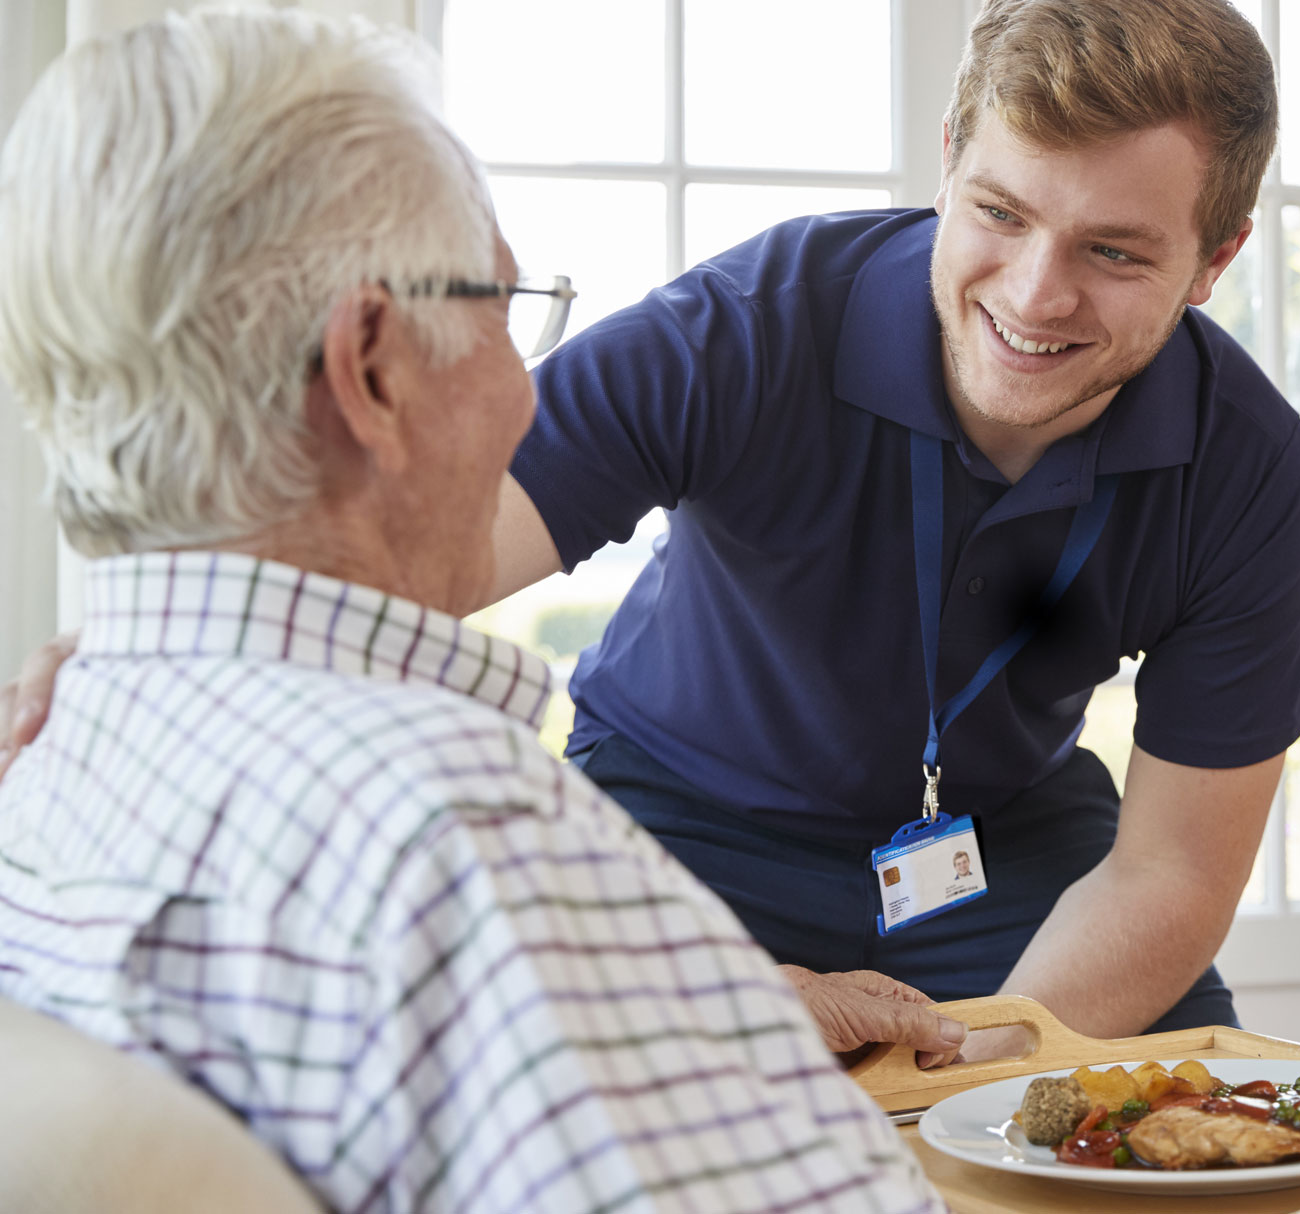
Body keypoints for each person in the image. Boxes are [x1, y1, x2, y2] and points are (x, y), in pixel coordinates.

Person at [2, 0, 1300, 1053]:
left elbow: (1168, 873)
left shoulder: (1246, 461)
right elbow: (404, 550)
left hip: (1005, 847)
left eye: (1117, 253)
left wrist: (991, 1078)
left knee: (1180, 1131)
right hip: (681, 820)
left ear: (1216, 259)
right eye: (1000, 212)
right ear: (949, 164)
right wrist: (146, 650)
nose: (1033, 295)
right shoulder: (747, 329)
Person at [0, 12, 942, 1212]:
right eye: (504, 308)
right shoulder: (457, 836)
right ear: (374, 368)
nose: (523, 396)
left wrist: (674, 1012)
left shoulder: (46, 764)